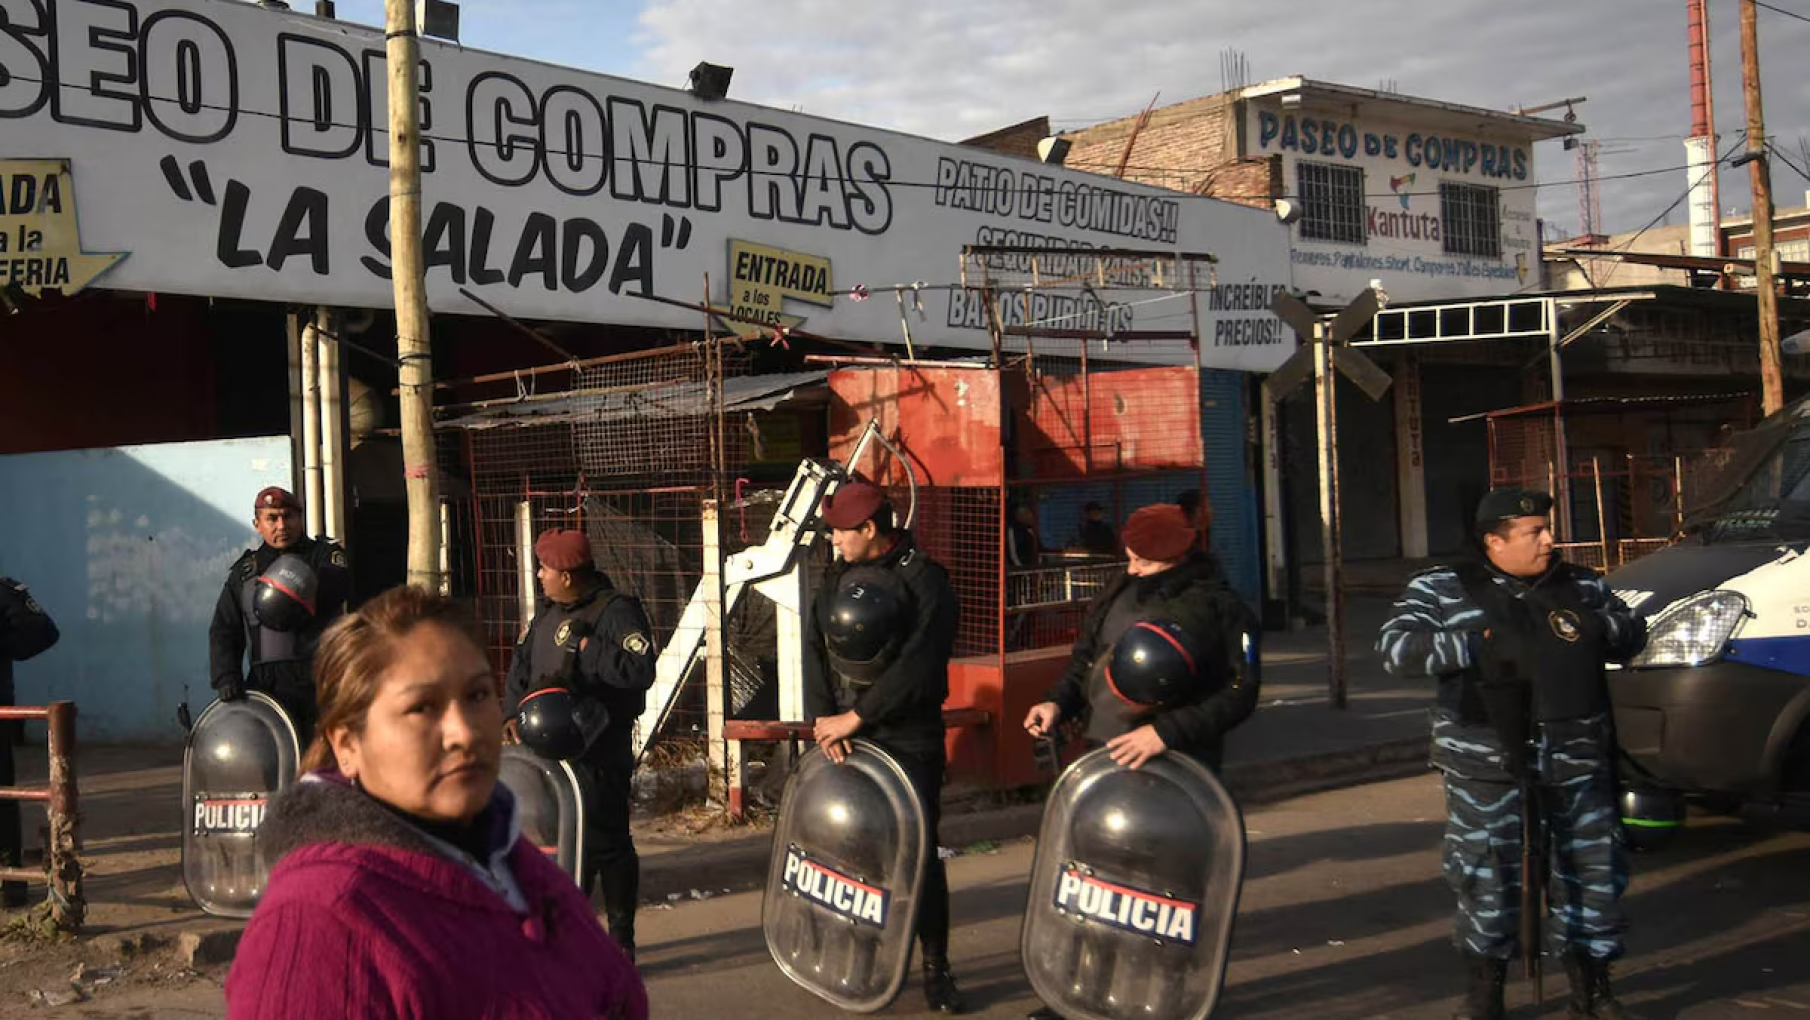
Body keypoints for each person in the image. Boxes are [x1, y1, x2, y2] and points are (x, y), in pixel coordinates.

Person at [224, 586, 646, 1020]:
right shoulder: (318, 923)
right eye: (422, 707)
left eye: (478, 695)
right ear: (347, 745)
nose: (463, 732)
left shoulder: (508, 857)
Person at [1377, 488, 1648, 1020]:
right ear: (1494, 540)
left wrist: (1596, 628)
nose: (1550, 540)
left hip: (1576, 759)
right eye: (1534, 532)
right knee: (1488, 875)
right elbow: (1395, 649)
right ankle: (1485, 994)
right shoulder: (1443, 587)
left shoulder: (1581, 585)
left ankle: (1592, 993)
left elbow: (1631, 633)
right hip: (1486, 762)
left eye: (1547, 529)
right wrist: (1474, 644)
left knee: (1590, 872)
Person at [802, 480, 964, 1013]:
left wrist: (858, 716)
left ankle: (935, 969)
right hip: (843, 735)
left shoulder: (925, 581)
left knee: (917, 856)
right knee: (853, 853)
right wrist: (825, 719)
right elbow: (815, 645)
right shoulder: (838, 575)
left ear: (870, 529)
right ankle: (864, 959)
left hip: (906, 735)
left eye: (841, 533)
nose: (835, 543)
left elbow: (920, 666)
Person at [503, 529, 657, 961]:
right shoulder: (548, 613)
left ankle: (621, 938)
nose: (539, 575)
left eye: (545, 569)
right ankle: (567, 931)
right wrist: (510, 714)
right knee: (561, 839)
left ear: (568, 575)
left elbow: (638, 670)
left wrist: (587, 648)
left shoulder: (616, 611)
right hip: (547, 754)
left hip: (598, 748)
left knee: (606, 841)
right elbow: (522, 666)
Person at [1024, 502, 1259, 773]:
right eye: (1130, 558)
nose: (1133, 570)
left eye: (1144, 562)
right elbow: (1088, 657)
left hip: (1176, 764)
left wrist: (1165, 733)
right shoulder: (1116, 591)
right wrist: (1058, 702)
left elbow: (1242, 690)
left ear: (1177, 558)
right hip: (1102, 752)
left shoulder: (1224, 610)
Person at [208, 487, 352, 743]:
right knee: (271, 762)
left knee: (322, 761)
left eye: (289, 516)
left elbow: (340, 591)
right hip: (266, 686)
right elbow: (225, 629)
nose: (282, 525)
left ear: (301, 518)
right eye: (272, 518)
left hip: (320, 679)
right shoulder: (245, 573)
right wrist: (226, 676)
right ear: (257, 524)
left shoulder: (326, 558)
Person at [0, 576, 59, 908]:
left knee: (2, 798)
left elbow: (44, 632)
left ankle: (10, 882)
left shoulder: (3, 592)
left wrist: (4, 643)